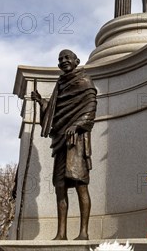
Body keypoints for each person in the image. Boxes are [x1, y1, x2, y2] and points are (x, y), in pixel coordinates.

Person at [32, 50, 97, 240]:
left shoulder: (85, 81)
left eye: (67, 58)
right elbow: (55, 110)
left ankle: (83, 232)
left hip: (76, 142)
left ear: (76, 61)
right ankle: (61, 233)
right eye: (60, 59)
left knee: (80, 186)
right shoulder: (60, 84)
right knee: (60, 188)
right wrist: (42, 103)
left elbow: (91, 108)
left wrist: (77, 125)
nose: (63, 61)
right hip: (60, 141)